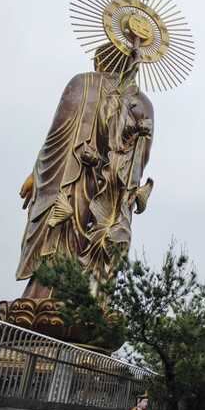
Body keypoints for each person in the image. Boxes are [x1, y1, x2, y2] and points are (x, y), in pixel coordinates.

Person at [16, 43, 154, 298]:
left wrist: (37, 173)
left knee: (62, 235)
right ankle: (91, 300)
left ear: (100, 62)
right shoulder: (144, 102)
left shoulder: (82, 82)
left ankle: (47, 294)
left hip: (74, 177)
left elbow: (59, 135)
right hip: (114, 191)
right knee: (103, 244)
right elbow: (140, 160)